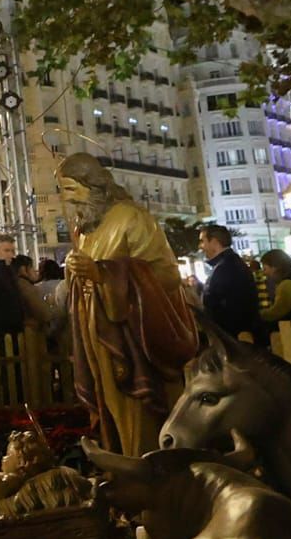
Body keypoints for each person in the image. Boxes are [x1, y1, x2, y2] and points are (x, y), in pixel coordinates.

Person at [57, 153, 197, 457]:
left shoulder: (131, 218)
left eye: (70, 189)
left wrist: (104, 273)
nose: (65, 200)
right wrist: (75, 270)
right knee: (111, 411)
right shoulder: (87, 228)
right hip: (99, 336)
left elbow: (165, 275)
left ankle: (148, 467)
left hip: (132, 339)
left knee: (138, 415)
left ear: (92, 185)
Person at [198, 225, 261, 339]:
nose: (200, 246)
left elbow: (218, 304)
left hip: (231, 338)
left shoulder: (226, 267)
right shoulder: (229, 264)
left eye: (203, 241)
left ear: (214, 242)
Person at [258, 250, 291, 331]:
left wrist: (258, 315)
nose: (264, 273)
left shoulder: (287, 284)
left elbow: (277, 312)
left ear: (275, 267)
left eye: (265, 268)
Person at [11, 255, 53, 328]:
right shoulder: (26, 286)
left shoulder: (13, 283)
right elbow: (45, 314)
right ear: (23, 269)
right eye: (31, 267)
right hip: (31, 335)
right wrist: (48, 303)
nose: (35, 271)